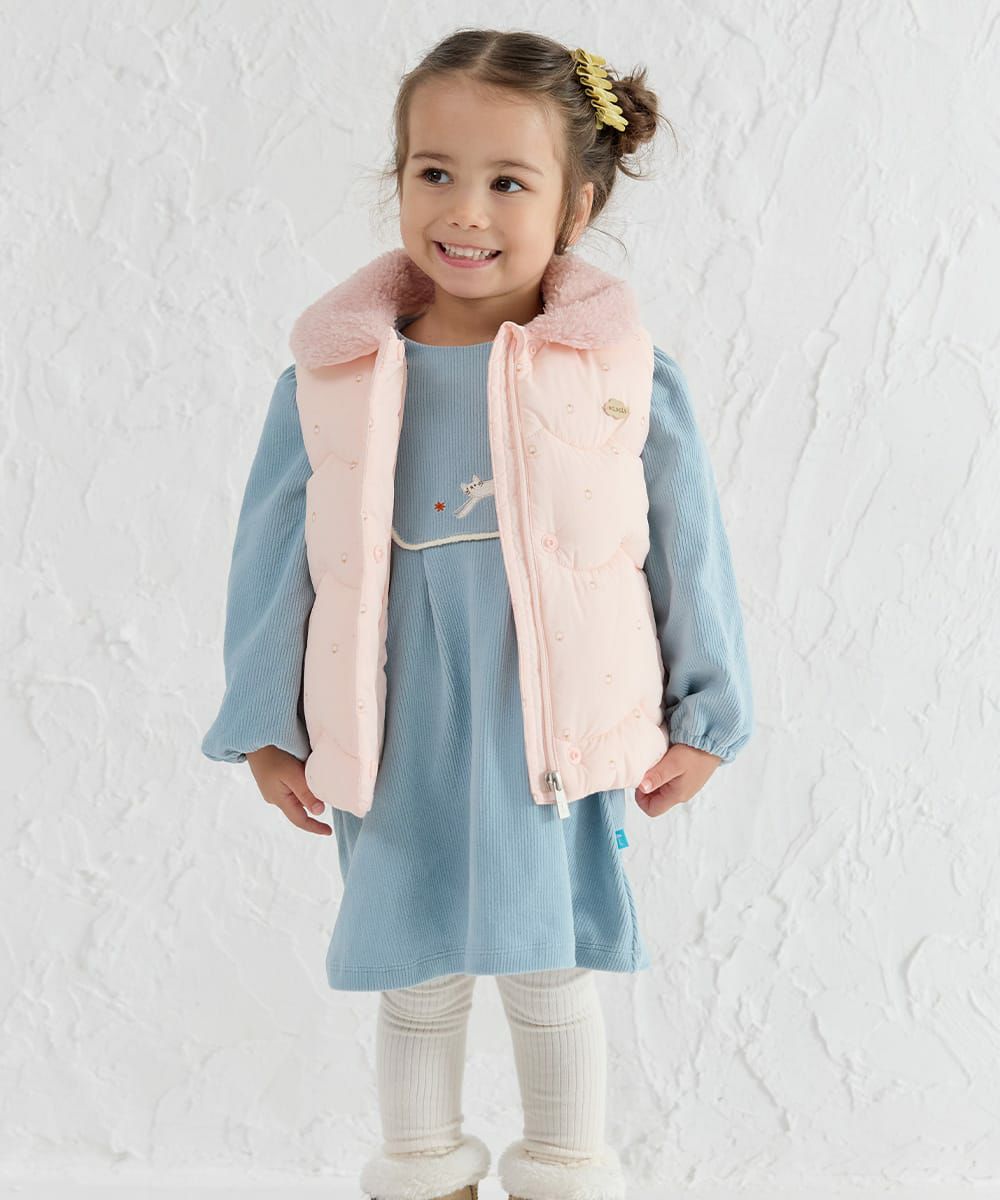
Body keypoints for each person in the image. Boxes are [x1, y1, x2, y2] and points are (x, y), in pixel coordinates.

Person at [201, 28, 753, 1200]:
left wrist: (708, 712)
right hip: (395, 720)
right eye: (434, 172)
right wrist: (263, 724)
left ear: (577, 204)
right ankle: (421, 1171)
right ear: (398, 176)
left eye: (508, 181)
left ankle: (565, 1168)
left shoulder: (617, 373)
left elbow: (688, 547)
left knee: (549, 971)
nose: (464, 210)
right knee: (417, 976)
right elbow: (272, 559)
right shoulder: (334, 377)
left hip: (548, 720)